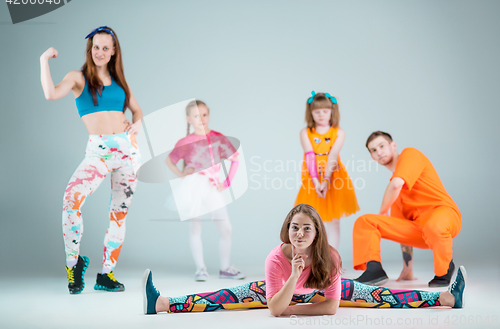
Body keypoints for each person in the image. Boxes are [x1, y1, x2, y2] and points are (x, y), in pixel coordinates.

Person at [142, 204, 466, 316]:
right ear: (287, 229)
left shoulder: (331, 259)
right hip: (275, 292)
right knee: (221, 298)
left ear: (316, 233)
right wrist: (289, 283)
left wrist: (291, 310)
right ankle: (161, 304)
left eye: (306, 228)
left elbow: (331, 307)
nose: (299, 233)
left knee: (385, 297)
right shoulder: (275, 259)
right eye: (294, 227)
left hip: (316, 293)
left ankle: (447, 297)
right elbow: (272, 309)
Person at [40, 26, 142, 294]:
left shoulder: (121, 82)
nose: (99, 52)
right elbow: (50, 94)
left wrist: (138, 124)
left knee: (118, 215)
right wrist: (43, 61)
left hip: (127, 151)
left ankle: (106, 274)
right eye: (95, 47)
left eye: (105, 48)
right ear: (90, 49)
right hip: (98, 151)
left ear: (113, 51)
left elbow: (137, 111)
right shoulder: (78, 78)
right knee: (70, 200)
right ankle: (73, 265)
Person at [353, 131, 462, 287]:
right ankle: (374, 269)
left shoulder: (410, 154)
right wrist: (408, 268)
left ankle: (444, 270)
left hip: (445, 215)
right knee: (365, 222)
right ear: (372, 157)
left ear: (393, 145)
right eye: (373, 150)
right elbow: (402, 232)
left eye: (382, 146)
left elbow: (396, 184)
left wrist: (383, 211)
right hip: (421, 230)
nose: (379, 152)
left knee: (434, 225)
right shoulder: (395, 194)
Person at [164, 100, 244, 281]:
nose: (201, 119)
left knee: (225, 228)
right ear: (189, 119)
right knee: (196, 227)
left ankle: (225, 268)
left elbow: (235, 159)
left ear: (209, 115)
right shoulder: (185, 141)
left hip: (211, 187)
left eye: (204, 115)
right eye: (196, 116)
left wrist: (227, 182)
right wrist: (182, 174)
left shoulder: (218, 137)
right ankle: (200, 269)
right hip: (194, 184)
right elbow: (169, 161)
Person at [294, 91, 359, 249]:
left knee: (333, 221)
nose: (321, 114)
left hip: (333, 176)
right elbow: (310, 156)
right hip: (312, 177)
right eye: (317, 111)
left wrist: (326, 180)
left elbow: (333, 155)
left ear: (332, 111)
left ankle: (332, 260)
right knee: (311, 220)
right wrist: (317, 182)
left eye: (325, 111)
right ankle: (314, 259)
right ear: (311, 112)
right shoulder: (306, 132)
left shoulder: (339, 132)